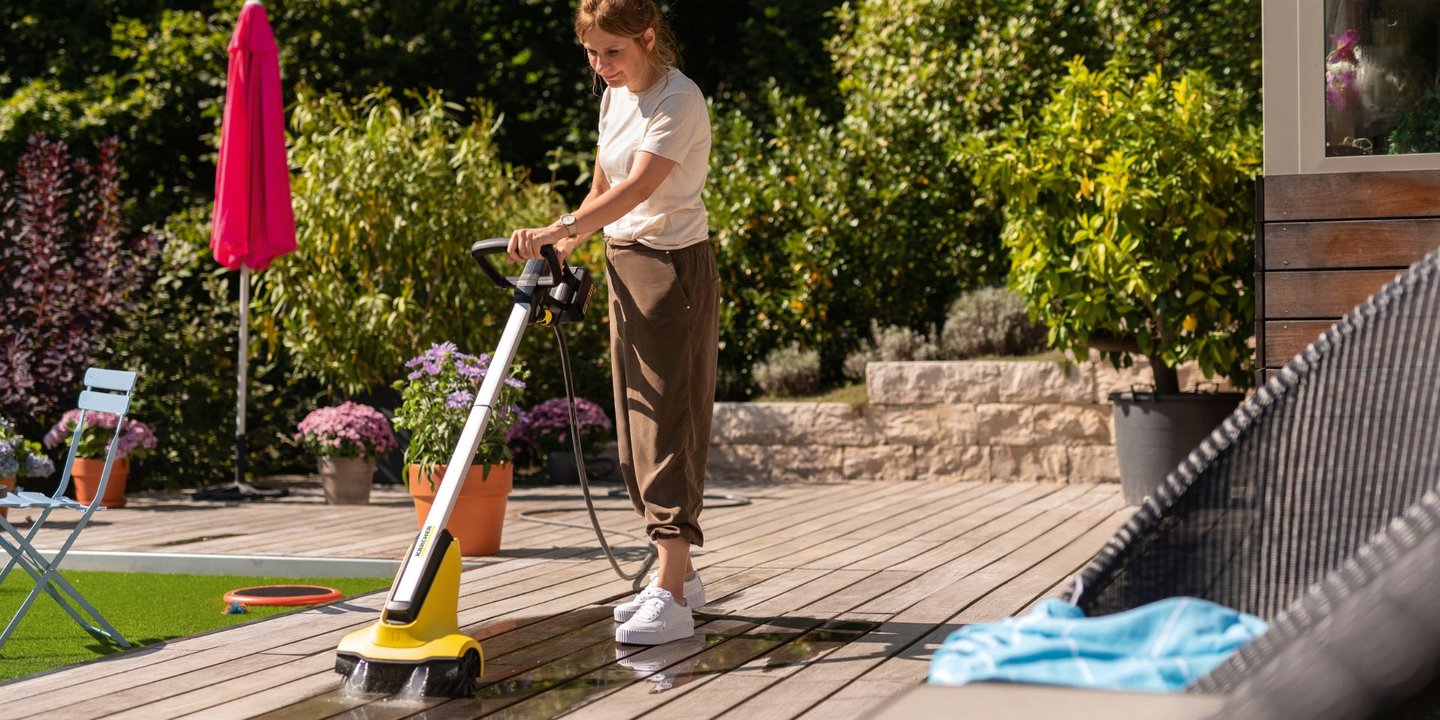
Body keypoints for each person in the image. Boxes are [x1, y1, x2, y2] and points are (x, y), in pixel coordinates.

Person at [508, 0, 716, 647]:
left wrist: (563, 228)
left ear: (648, 37)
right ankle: (674, 573)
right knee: (632, 432)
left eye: (613, 53)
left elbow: (640, 190)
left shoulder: (679, 100)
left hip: (670, 266)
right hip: (623, 260)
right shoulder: (612, 99)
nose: (601, 66)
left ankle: (674, 596)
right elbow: (602, 190)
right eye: (592, 54)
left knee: (666, 424)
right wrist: (565, 243)